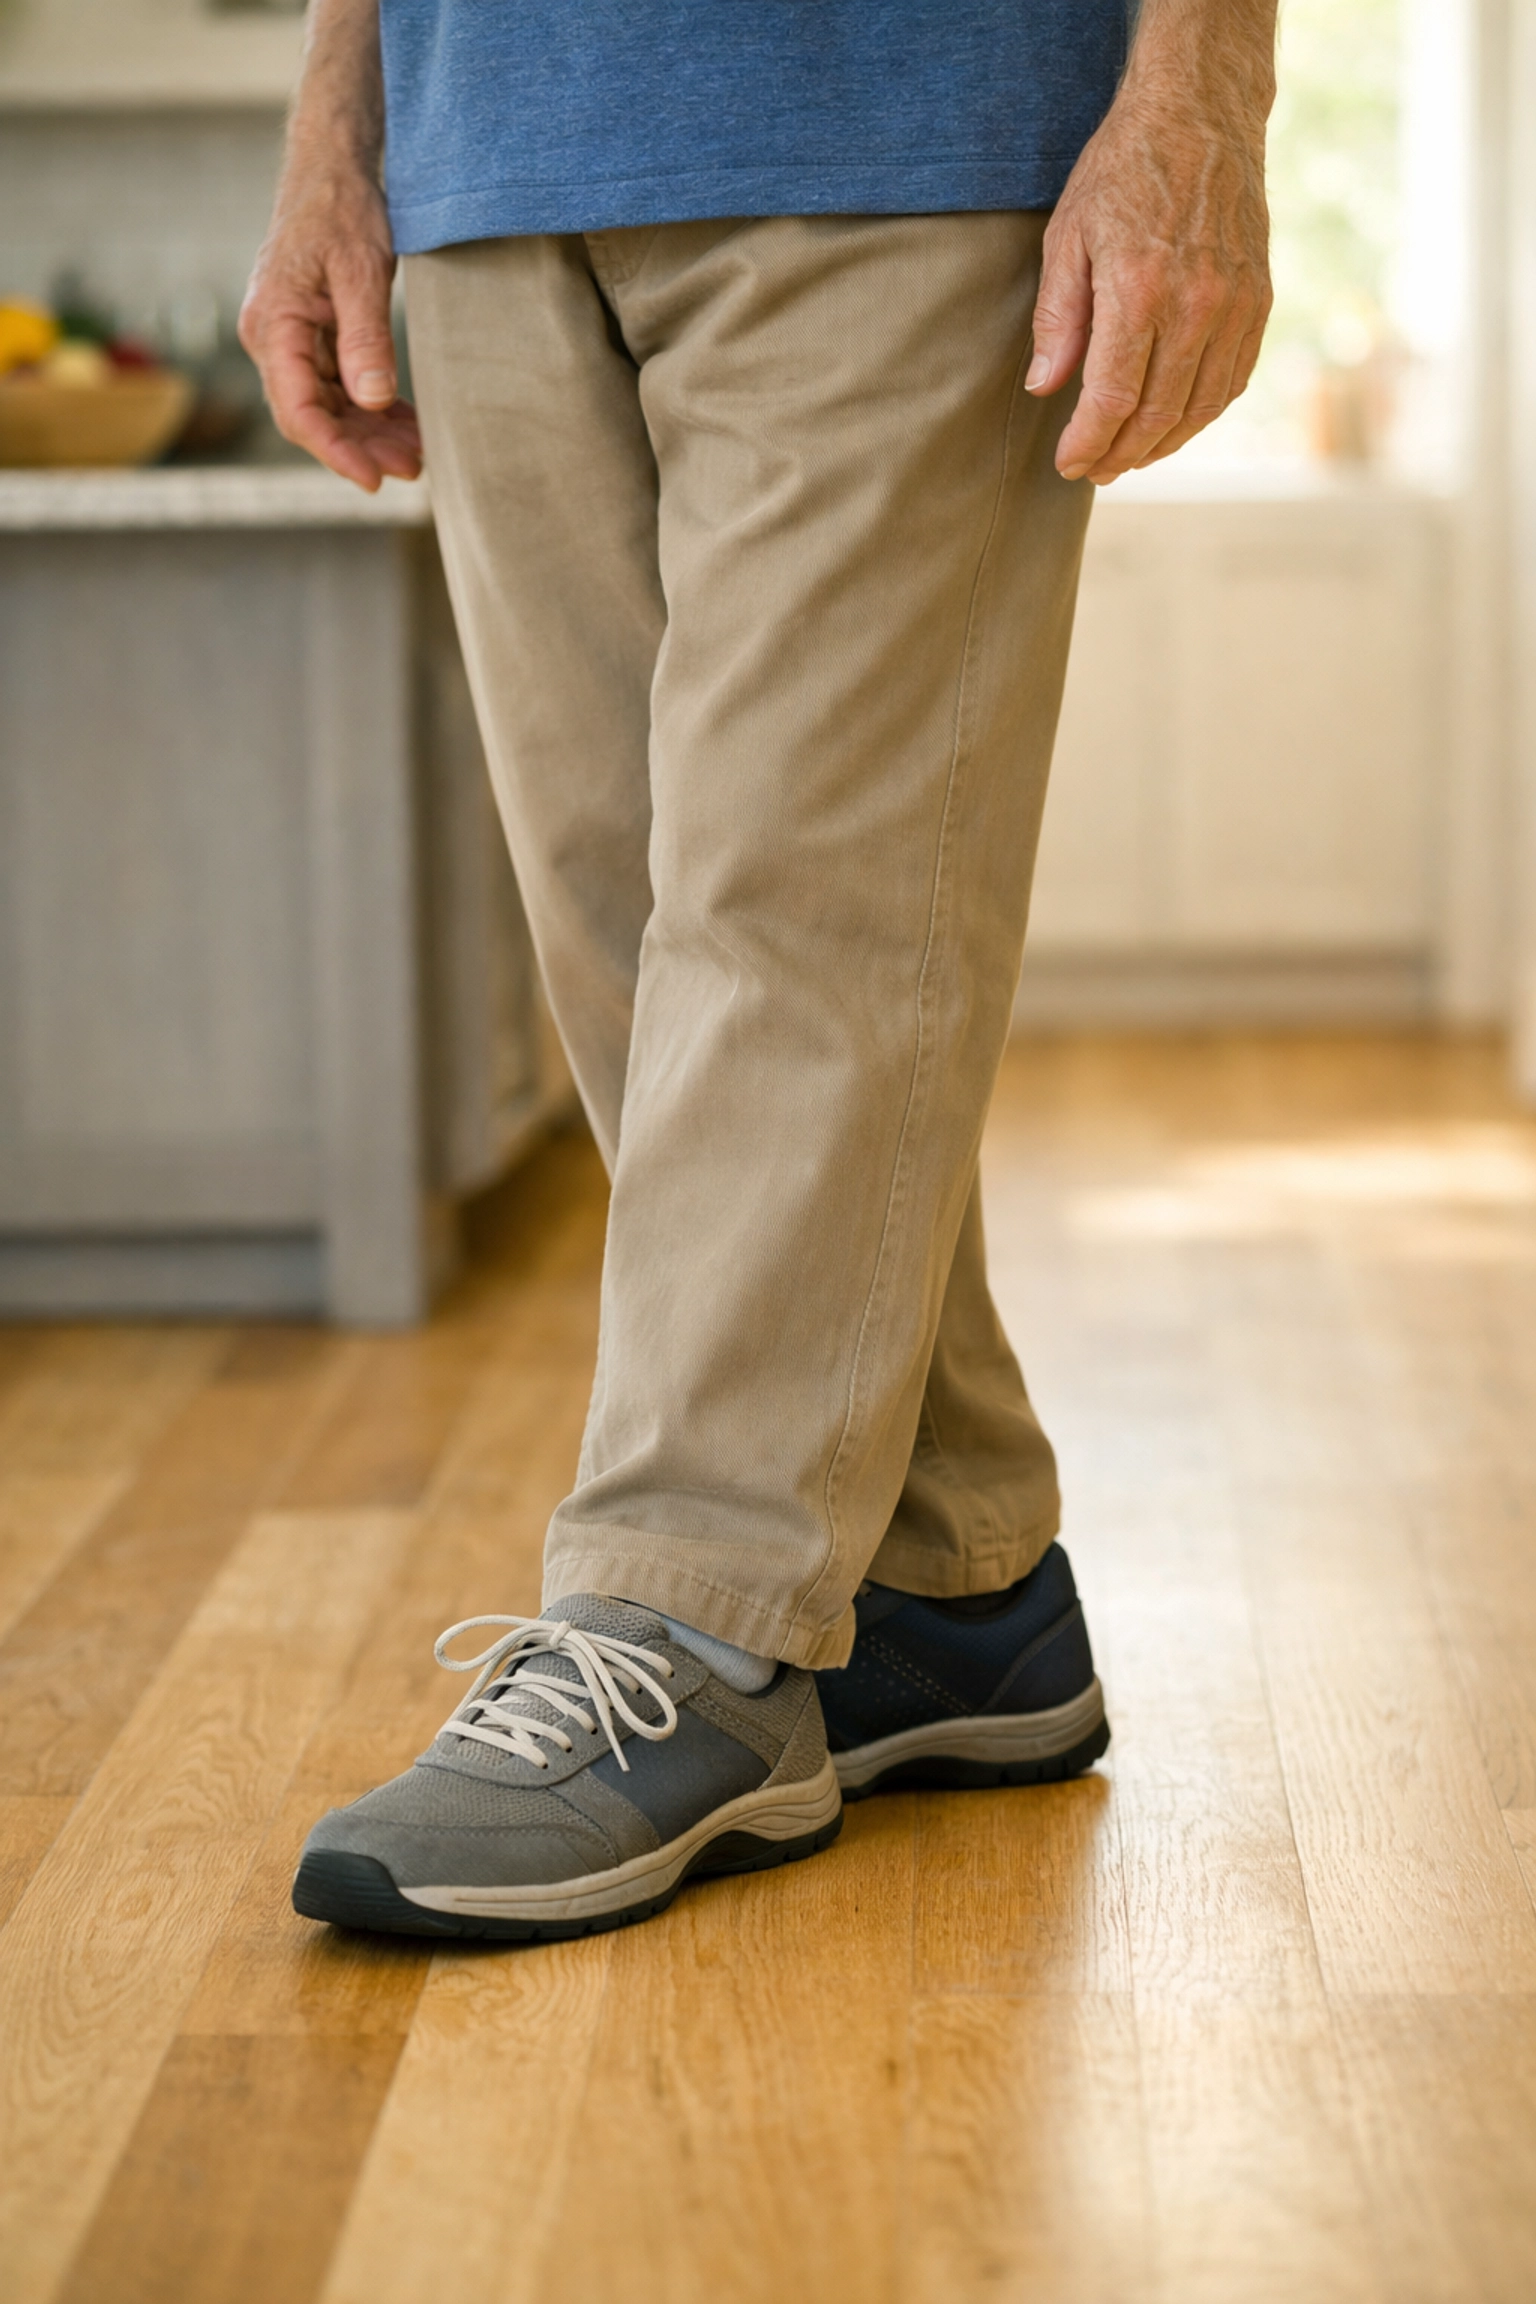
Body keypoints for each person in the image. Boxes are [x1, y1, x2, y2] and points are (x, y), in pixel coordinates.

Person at [242, 0, 1275, 1941]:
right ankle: (949, 1593)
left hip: (905, 119)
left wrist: (1201, 87)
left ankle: (685, 1614)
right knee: (632, 922)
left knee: (802, 911)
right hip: (486, 151)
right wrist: (338, 118)